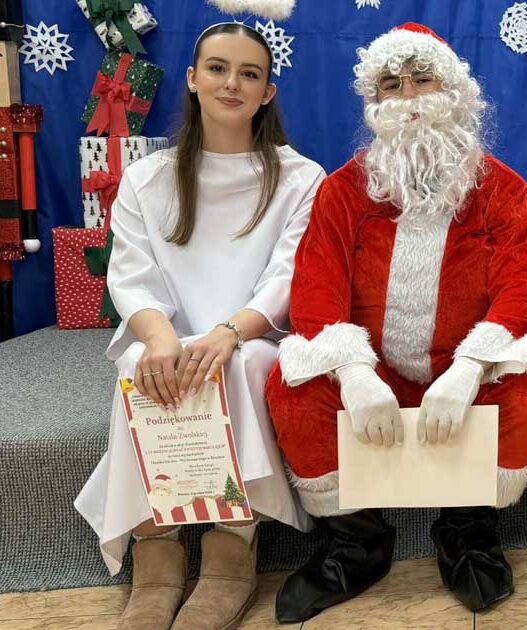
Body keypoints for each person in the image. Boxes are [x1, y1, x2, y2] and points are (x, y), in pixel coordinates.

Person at [264, 23, 527, 621]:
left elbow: (524, 288)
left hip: (464, 373)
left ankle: (467, 530)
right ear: (374, 103)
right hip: (373, 372)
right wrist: (352, 373)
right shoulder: (344, 190)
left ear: (454, 92)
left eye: (422, 80)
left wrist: (470, 369)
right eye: (391, 85)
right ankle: (356, 542)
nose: (407, 98)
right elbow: (315, 285)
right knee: (288, 389)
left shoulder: (504, 192)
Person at [74, 22, 324, 629]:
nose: (231, 83)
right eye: (217, 68)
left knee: (234, 366)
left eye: (249, 73)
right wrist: (159, 336)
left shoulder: (300, 177)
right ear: (192, 79)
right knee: (139, 364)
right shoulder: (147, 177)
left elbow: (289, 275)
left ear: (267, 92)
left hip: (253, 337)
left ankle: (230, 549)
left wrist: (230, 332)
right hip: (169, 332)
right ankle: (154, 550)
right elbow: (131, 274)